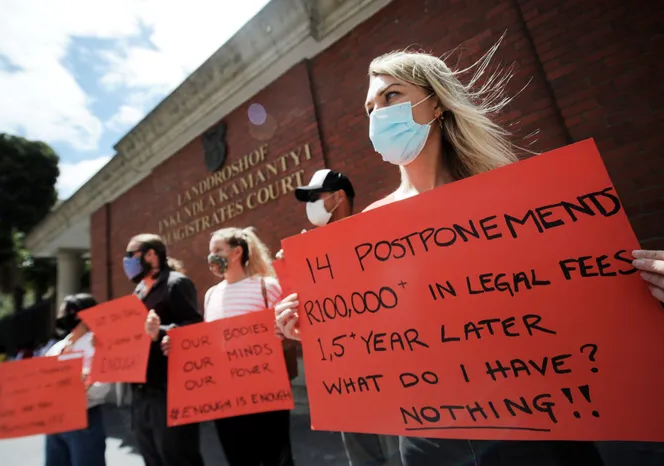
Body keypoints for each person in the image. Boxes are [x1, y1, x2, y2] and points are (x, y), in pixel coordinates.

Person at [275, 38, 664, 466]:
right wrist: (319, 328)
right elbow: (378, 328)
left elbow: (576, 292)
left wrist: (648, 288)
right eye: (370, 108)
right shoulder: (371, 224)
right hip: (429, 437)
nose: (378, 115)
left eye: (391, 96)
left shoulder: (513, 201)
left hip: (534, 426)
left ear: (436, 104)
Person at [291, 170, 401, 466]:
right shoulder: (308, 255)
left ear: (339, 197)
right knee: (362, 456)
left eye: (315, 197)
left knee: (398, 453)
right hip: (344, 377)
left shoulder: (373, 233)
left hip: (388, 369)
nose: (310, 205)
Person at [163, 226, 295, 466]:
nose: (211, 256)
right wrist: (178, 345)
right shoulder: (211, 294)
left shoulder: (266, 286)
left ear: (236, 253)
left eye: (218, 250)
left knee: (275, 457)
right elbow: (208, 342)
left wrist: (281, 332)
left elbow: (288, 329)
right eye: (210, 251)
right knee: (238, 458)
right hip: (227, 394)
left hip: (265, 389)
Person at [0, 293, 109, 466]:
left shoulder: (98, 345)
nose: (60, 318)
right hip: (54, 422)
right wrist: (6, 385)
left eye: (65, 313)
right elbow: (38, 379)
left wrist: (84, 383)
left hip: (84, 420)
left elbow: (104, 387)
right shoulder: (57, 348)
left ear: (81, 315)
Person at [125, 233, 204, 466]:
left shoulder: (176, 284)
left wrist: (159, 332)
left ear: (151, 255)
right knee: (151, 456)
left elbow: (195, 327)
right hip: (141, 389)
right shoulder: (139, 290)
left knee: (177, 455)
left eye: (131, 254)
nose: (127, 261)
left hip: (170, 389)